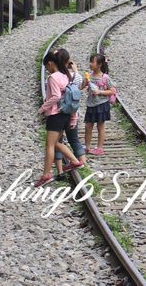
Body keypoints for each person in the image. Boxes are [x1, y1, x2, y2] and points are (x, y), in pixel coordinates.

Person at [36, 49, 84, 187]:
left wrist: (43, 108)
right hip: (65, 115)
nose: (47, 70)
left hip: (55, 115)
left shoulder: (53, 78)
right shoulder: (66, 75)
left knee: (50, 145)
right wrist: (73, 118)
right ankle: (74, 161)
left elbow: (56, 96)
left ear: (50, 63)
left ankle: (46, 175)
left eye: (47, 67)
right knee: (56, 142)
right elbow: (72, 98)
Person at [55, 53, 87, 179]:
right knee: (74, 140)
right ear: (68, 62)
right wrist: (75, 69)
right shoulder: (75, 76)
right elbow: (80, 86)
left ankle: (60, 172)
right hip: (73, 114)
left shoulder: (54, 77)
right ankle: (84, 167)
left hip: (59, 114)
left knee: (57, 141)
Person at [83, 52, 115, 156]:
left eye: (92, 62)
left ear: (99, 64)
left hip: (102, 104)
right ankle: (87, 147)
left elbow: (112, 91)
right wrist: (85, 80)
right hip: (91, 104)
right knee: (88, 126)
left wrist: (100, 92)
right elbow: (81, 87)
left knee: (100, 126)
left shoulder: (105, 77)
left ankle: (100, 148)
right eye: (90, 61)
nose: (90, 64)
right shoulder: (90, 75)